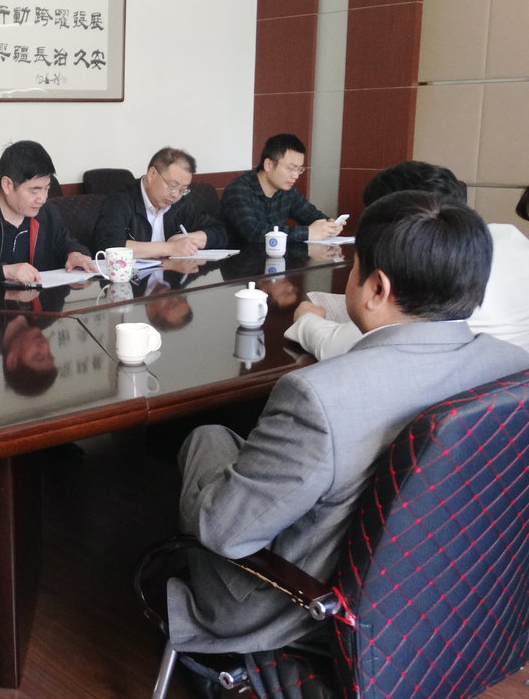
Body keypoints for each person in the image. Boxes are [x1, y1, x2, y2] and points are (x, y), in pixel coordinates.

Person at [169, 190, 529, 668]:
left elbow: (225, 533)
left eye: (355, 269)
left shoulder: (320, 396)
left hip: (304, 605)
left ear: (376, 288)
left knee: (207, 439)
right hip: (452, 596)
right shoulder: (514, 367)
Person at [287, 163, 529, 357]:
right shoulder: (508, 235)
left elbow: (339, 347)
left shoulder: (427, 265)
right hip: (509, 389)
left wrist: (306, 318)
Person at [0, 140, 95, 286]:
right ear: (7, 185)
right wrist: (4, 271)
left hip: (38, 304)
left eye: (46, 188)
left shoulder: (46, 213)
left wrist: (74, 253)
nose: (42, 198)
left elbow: (65, 242)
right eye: (34, 190)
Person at [92, 147, 228, 256]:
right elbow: (108, 245)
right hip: (134, 280)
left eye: (183, 190)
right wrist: (170, 248)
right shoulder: (121, 199)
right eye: (172, 186)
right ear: (152, 174)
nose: (176, 195)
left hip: (171, 277)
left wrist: (190, 239)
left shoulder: (181, 202)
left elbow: (220, 232)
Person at [221, 133, 343, 244]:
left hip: (276, 259)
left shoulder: (287, 191)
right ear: (269, 164)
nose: (296, 176)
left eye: (299, 169)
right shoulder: (238, 189)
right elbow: (254, 233)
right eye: (291, 168)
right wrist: (308, 233)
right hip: (241, 259)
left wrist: (329, 225)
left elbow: (312, 215)